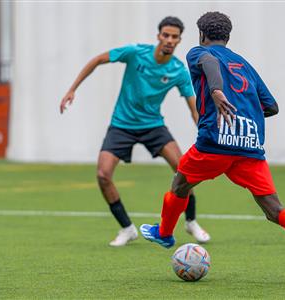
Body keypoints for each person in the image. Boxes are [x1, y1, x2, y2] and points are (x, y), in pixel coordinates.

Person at [140, 12, 285, 284]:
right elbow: (271, 106)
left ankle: (164, 234)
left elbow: (209, 61)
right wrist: (245, 115)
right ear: (228, 36)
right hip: (249, 147)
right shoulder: (245, 65)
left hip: (215, 142)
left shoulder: (198, 52)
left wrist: (216, 92)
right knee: (274, 210)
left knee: (180, 185)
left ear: (202, 34)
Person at [60, 16, 210, 247]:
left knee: (185, 171)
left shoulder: (178, 71)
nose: (170, 40)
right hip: (122, 124)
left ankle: (190, 221)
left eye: (175, 37)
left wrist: (206, 135)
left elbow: (193, 109)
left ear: (180, 40)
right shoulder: (135, 53)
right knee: (103, 175)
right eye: (166, 35)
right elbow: (99, 59)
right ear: (159, 36)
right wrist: (72, 89)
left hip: (153, 126)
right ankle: (127, 229)